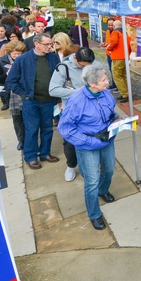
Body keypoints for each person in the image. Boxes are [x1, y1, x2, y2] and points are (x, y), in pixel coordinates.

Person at [57, 63, 118, 230]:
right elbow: (66, 128)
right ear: (92, 83)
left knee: (109, 170)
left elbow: (111, 111)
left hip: (107, 140)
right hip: (87, 145)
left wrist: (116, 122)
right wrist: (89, 141)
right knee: (91, 180)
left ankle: (103, 190)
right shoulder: (77, 100)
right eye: (104, 80)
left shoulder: (106, 94)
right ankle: (94, 214)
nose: (108, 82)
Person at [6, 32, 61, 170]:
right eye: (47, 44)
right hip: (31, 102)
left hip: (49, 101)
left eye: (51, 44)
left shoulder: (53, 58)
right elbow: (11, 81)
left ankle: (45, 153)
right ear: (36, 44)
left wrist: (58, 99)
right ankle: (30, 156)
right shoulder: (23, 59)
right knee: (31, 129)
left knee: (47, 128)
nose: (50, 47)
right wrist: (24, 95)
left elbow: (60, 78)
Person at [50, 47, 97, 182]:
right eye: (82, 66)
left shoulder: (94, 65)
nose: (85, 69)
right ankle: (71, 166)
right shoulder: (63, 68)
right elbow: (53, 90)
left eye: (88, 66)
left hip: (91, 110)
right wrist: (78, 92)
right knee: (70, 142)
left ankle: (92, 164)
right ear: (76, 59)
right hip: (71, 111)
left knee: (92, 138)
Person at [0, 41, 27, 151]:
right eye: (15, 54)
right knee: (17, 119)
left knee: (28, 118)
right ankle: (21, 140)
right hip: (11, 94)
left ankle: (29, 140)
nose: (17, 56)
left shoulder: (26, 60)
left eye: (19, 53)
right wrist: (6, 75)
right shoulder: (2, 60)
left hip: (25, 91)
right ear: (9, 52)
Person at [106, 20, 131, 103]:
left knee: (117, 76)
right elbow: (129, 46)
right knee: (123, 75)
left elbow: (114, 42)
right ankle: (126, 93)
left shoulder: (115, 33)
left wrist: (108, 48)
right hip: (124, 57)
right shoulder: (125, 34)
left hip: (117, 57)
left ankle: (125, 94)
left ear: (114, 26)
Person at [100, 19, 117, 89]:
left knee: (115, 70)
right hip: (108, 53)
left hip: (114, 54)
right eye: (109, 25)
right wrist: (105, 44)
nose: (110, 26)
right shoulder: (107, 31)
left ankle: (117, 85)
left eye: (112, 25)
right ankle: (114, 83)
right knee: (111, 69)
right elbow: (108, 42)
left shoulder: (116, 33)